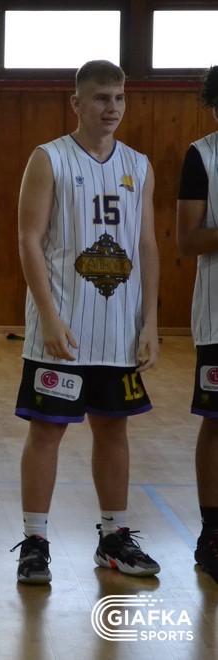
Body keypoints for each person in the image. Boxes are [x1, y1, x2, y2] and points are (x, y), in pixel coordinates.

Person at [10, 60, 161, 585]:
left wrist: (150, 321)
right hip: (63, 329)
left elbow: (146, 246)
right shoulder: (48, 158)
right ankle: (34, 542)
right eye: (101, 98)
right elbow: (29, 239)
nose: (112, 108)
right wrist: (48, 316)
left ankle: (113, 537)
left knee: (114, 429)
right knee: (47, 431)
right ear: (76, 103)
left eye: (119, 98)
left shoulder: (139, 165)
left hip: (119, 330)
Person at [175, 64, 218, 584]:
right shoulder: (202, 156)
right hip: (217, 315)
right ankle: (212, 534)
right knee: (217, 421)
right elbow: (188, 240)